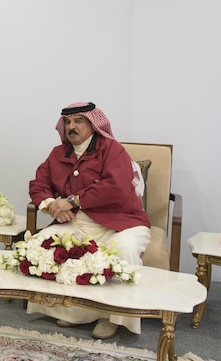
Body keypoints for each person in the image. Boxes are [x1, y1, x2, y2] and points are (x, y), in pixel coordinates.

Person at [27, 101, 151, 340]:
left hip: (123, 220)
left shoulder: (112, 149)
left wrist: (72, 201)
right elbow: (39, 184)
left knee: (124, 249)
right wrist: (52, 205)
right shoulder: (57, 153)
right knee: (42, 243)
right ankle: (75, 313)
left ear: (93, 124)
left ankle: (111, 316)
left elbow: (116, 187)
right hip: (79, 222)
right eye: (67, 122)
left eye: (78, 121)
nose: (71, 127)